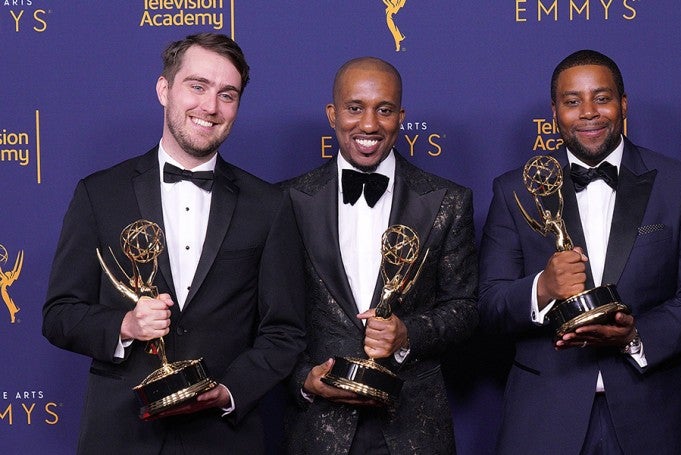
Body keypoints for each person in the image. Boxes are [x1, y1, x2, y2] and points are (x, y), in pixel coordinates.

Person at [42, 33, 306, 455]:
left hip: (224, 439)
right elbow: (59, 315)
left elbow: (284, 331)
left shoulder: (269, 206)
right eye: (197, 86)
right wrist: (125, 325)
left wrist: (229, 391)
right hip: (121, 436)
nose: (210, 106)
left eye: (227, 95)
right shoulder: (100, 194)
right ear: (164, 89)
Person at [479, 49, 681, 454]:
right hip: (545, 420)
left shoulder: (680, 184)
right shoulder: (515, 191)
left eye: (602, 98)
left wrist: (636, 334)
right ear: (555, 112)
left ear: (623, 104)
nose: (589, 113)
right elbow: (489, 306)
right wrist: (542, 288)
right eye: (572, 101)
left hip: (656, 415)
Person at [282, 57, 478, 455]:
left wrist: (407, 333)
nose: (369, 125)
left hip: (414, 427)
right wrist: (303, 378)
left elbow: (465, 309)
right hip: (318, 428)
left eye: (384, 110)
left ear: (401, 117)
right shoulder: (287, 201)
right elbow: (271, 317)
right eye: (355, 108)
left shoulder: (448, 201)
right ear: (333, 114)